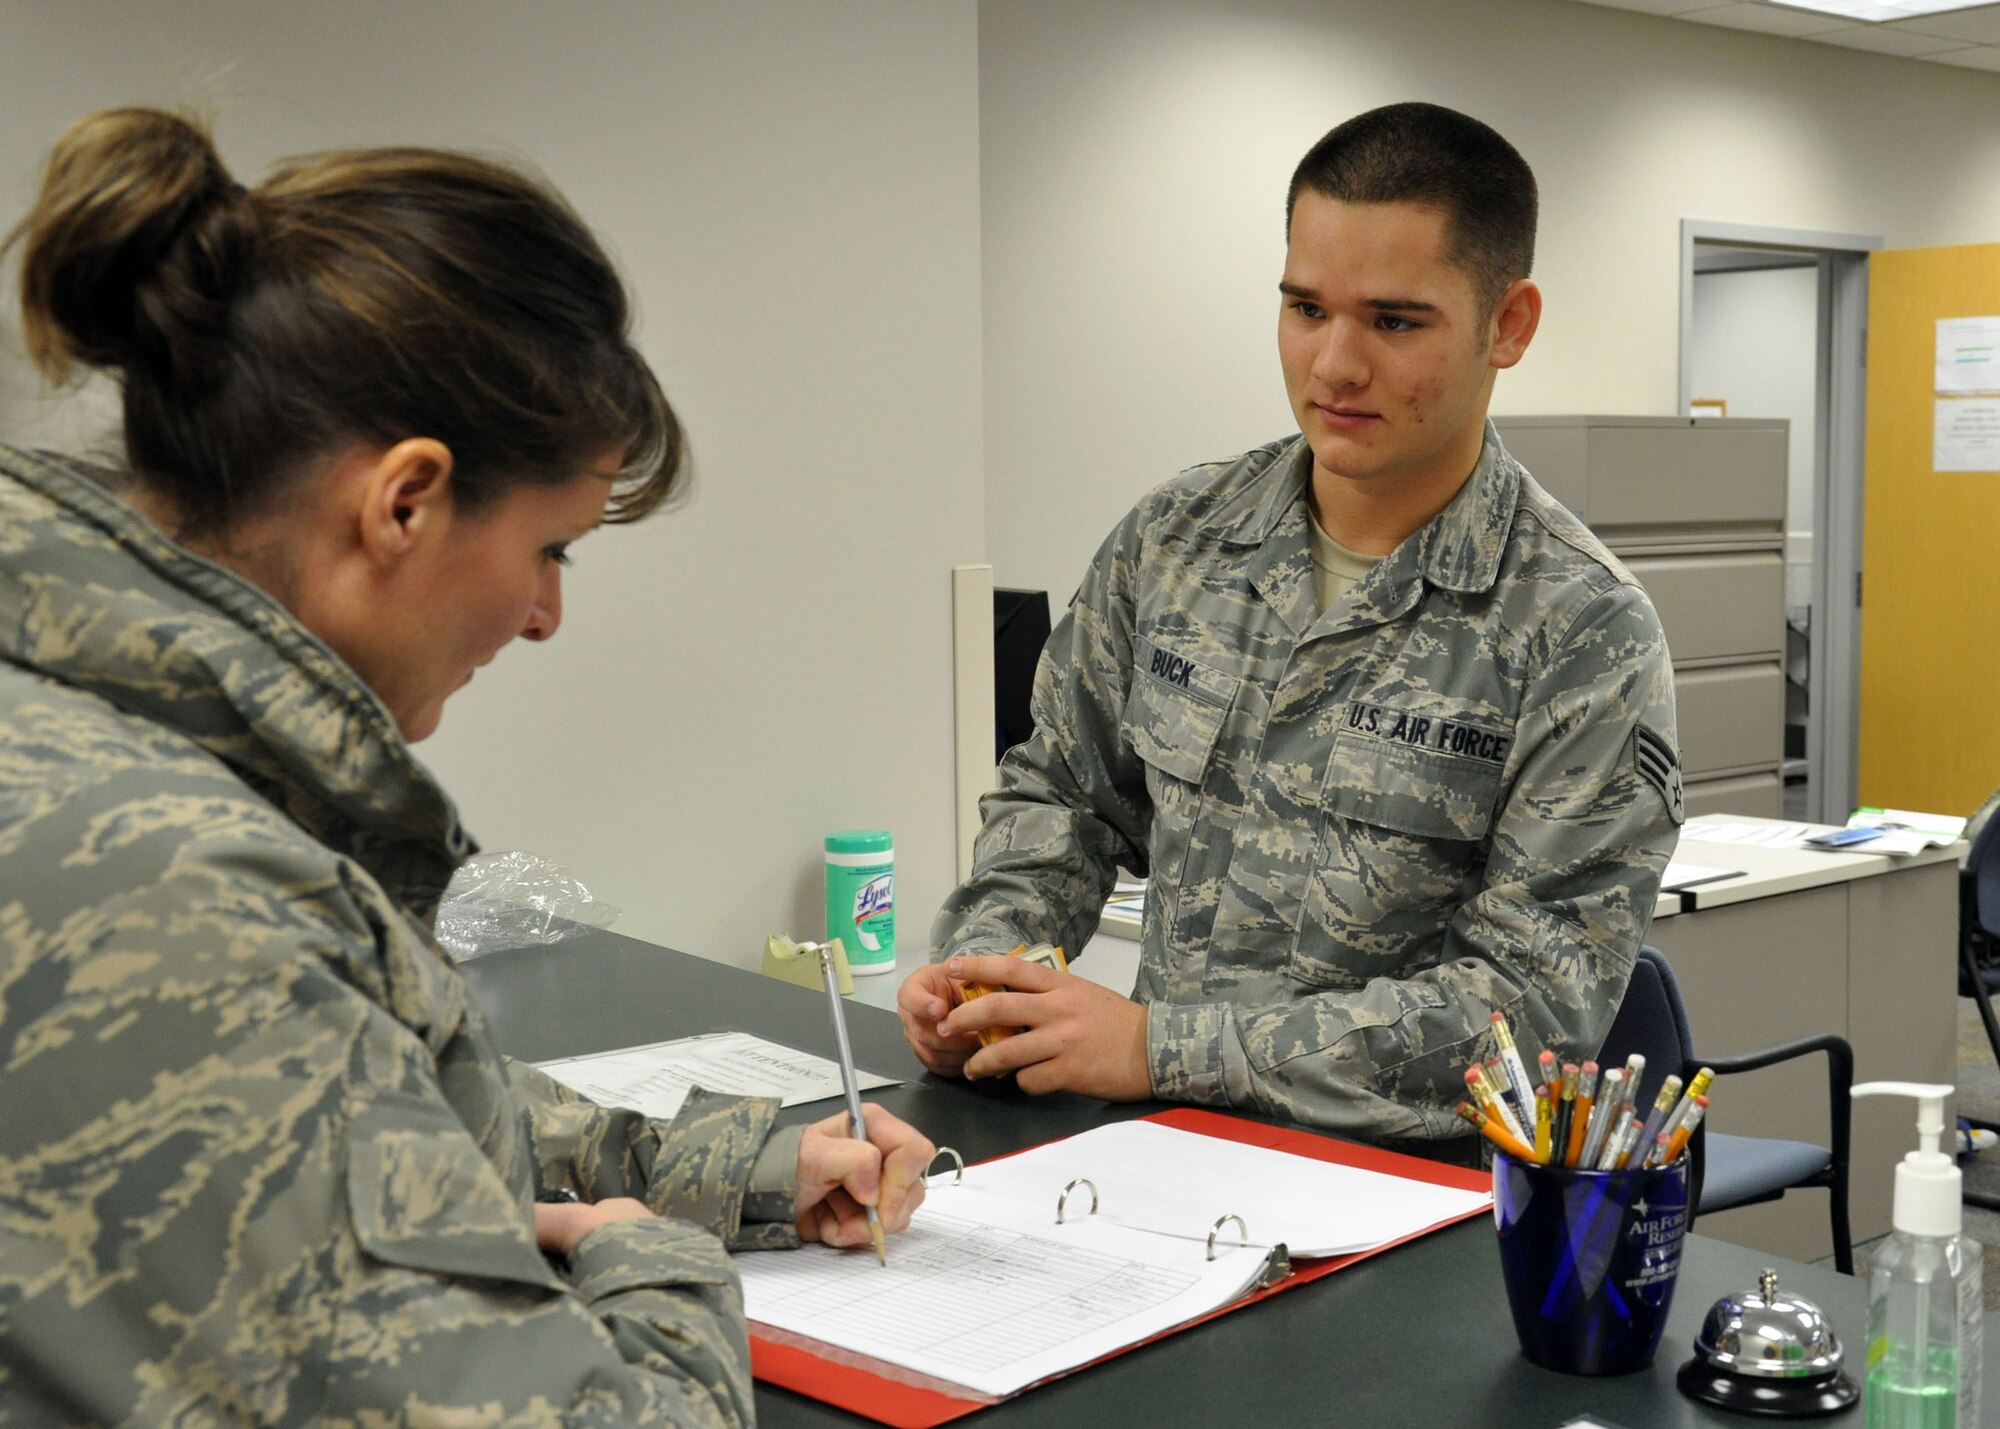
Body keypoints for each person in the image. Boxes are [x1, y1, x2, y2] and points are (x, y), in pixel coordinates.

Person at [0, 108, 930, 1426]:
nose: (544, 615)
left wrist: (732, 1162)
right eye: (550, 549)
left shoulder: (75, 740)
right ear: (404, 502)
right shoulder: (189, 895)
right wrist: (650, 1260)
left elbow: (348, 1111)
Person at [897, 102, 1683, 1154]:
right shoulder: (1178, 538)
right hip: (1156, 1155)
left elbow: (1526, 1012)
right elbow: (1062, 796)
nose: (1334, 364)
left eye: (1393, 322)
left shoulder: (1581, 628)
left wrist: (1160, 1048)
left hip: (1404, 1197)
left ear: (1509, 323)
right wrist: (990, 975)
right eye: (1306, 308)